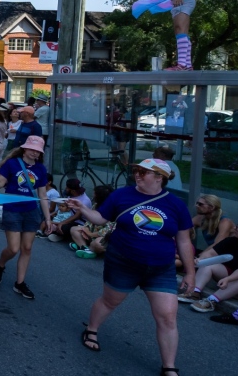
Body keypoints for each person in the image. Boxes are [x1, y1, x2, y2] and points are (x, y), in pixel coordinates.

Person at [65, 159, 194, 376]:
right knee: (110, 301)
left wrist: (190, 272)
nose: (138, 175)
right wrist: (83, 209)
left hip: (161, 268)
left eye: (144, 172)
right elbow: (100, 218)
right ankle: (91, 329)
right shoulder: (121, 195)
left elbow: (183, 241)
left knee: (168, 317)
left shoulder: (176, 204)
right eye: (137, 171)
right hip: (124, 262)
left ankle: (169, 367)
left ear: (159, 177)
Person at [0, 136, 55, 300]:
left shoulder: (40, 169)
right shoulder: (12, 164)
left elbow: (42, 195)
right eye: (32, 149)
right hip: (12, 209)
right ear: (25, 148)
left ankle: (20, 283)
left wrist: (48, 219)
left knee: (27, 248)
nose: (35, 153)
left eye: (38, 151)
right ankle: (0, 263)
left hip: (31, 211)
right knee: (13, 248)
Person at [180, 218, 238, 313]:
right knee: (208, 264)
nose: (235, 228)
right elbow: (210, 254)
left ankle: (211, 301)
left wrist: (228, 279)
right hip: (232, 275)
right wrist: (200, 259)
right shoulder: (232, 241)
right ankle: (194, 293)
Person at [68, 185, 115, 258]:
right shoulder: (96, 205)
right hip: (91, 233)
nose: (93, 196)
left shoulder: (113, 210)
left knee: (98, 243)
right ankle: (84, 248)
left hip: (101, 236)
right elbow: (89, 221)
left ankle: (89, 248)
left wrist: (89, 234)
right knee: (74, 229)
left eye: (95, 194)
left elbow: (107, 231)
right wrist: (85, 229)